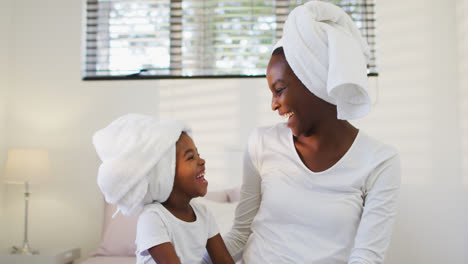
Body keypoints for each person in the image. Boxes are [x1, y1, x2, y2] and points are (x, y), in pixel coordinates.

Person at [221, 2, 401, 263]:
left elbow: (366, 258)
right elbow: (239, 234)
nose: (273, 104)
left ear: (314, 80)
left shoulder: (380, 161)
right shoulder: (261, 142)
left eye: (279, 89)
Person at [92, 114, 234, 264]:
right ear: (166, 174)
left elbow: (223, 259)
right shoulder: (153, 218)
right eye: (191, 157)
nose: (202, 160)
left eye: (198, 154)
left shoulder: (203, 214)